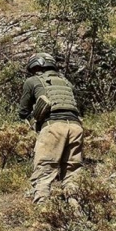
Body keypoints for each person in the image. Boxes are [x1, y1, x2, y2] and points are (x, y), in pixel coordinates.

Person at [18, 52, 83, 203]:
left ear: (37, 65)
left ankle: (43, 211)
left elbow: (22, 111)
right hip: (75, 127)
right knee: (73, 172)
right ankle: (75, 208)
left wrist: (33, 120)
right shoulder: (66, 83)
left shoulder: (32, 81)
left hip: (53, 127)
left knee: (44, 171)